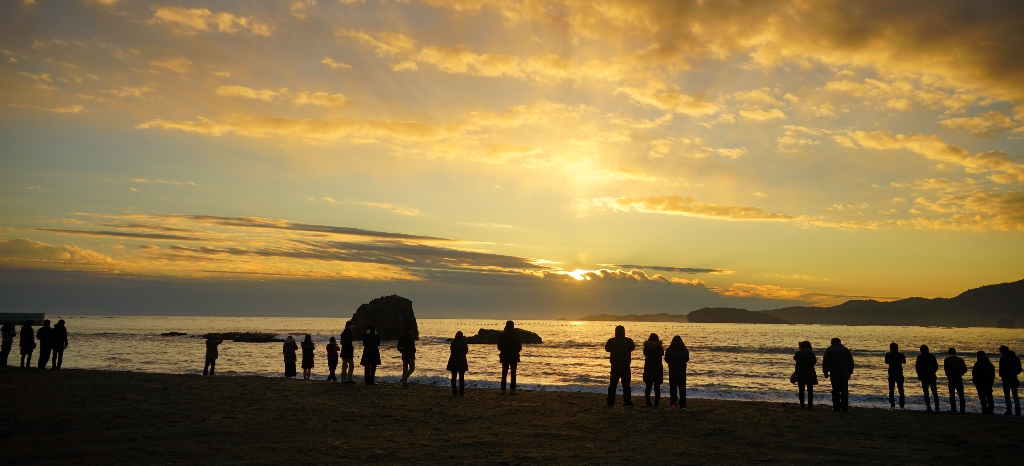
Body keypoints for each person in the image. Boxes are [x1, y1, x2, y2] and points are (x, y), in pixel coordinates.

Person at [605, 325, 636, 408]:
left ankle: (610, 402)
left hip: (615, 365)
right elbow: (633, 348)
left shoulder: (611, 341)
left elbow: (607, 349)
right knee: (626, 385)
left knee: (613, 385)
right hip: (625, 365)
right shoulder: (628, 341)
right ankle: (628, 402)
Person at [822, 337, 854, 412]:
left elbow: (825, 361)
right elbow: (850, 362)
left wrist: (825, 372)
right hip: (844, 372)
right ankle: (844, 407)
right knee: (844, 390)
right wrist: (850, 372)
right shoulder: (846, 350)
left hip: (834, 372)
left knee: (835, 389)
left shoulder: (829, 349)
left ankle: (836, 407)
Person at [664, 336, 690, 409]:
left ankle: (673, 403)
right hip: (682, 370)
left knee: (673, 387)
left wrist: (671, 363)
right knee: (682, 387)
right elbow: (687, 359)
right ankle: (683, 403)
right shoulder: (684, 349)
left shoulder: (669, 350)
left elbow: (666, 359)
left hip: (672, 370)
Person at [497, 320, 522, 394]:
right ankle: (512, 389)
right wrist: (515, 351)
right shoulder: (516, 335)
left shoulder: (502, 335)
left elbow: (499, 346)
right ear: (513, 326)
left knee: (504, 372)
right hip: (514, 356)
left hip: (505, 356)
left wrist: (504, 350)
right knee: (513, 373)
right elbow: (519, 346)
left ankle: (503, 389)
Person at [793, 341, 818, 409]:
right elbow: (814, 361)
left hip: (800, 372)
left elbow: (795, 358)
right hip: (810, 372)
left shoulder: (799, 353)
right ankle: (810, 405)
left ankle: (802, 405)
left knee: (801, 389)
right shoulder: (811, 353)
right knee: (810, 390)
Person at [998, 345, 1021, 416]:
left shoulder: (1003, 358)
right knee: (1015, 396)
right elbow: (1019, 369)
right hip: (1014, 378)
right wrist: (1014, 373)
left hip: (1006, 379)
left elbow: (1001, 369)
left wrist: (1002, 376)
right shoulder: (1015, 358)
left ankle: (1009, 411)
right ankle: (1018, 411)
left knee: (1007, 396)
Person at [915, 345, 940, 412]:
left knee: (926, 392)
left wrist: (919, 375)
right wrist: (933, 372)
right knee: (935, 393)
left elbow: (917, 367)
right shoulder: (932, 356)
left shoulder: (920, 357)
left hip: (924, 377)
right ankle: (937, 408)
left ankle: (929, 407)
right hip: (932, 376)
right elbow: (936, 366)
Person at [642, 333, 664, 408]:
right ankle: (656, 403)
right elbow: (662, 354)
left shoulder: (646, 347)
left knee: (648, 387)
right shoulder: (659, 347)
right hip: (657, 369)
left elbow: (645, 353)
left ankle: (648, 403)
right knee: (657, 387)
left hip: (648, 368)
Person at [943, 348, 967, 413]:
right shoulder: (960, 360)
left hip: (951, 380)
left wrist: (949, 375)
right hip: (959, 379)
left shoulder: (947, 360)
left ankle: (953, 409)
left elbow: (946, 370)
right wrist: (960, 374)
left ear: (949, 353)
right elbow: (965, 369)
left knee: (952, 395)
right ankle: (962, 410)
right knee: (961, 396)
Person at [972, 350, 996, 415]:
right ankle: (990, 410)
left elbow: (974, 374)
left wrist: (975, 382)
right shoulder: (990, 364)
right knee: (989, 396)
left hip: (980, 383)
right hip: (988, 383)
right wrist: (991, 382)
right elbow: (993, 374)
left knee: (982, 397)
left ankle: (984, 410)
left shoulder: (977, 364)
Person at [884, 342, 906, 410]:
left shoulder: (888, 354)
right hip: (899, 373)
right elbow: (904, 362)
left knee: (891, 390)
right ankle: (902, 406)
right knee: (901, 390)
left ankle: (892, 406)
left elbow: (886, 362)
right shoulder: (901, 355)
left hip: (891, 374)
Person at [446, 331, 469, 396]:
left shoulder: (453, 342)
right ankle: (461, 391)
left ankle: (454, 390)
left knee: (453, 376)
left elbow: (452, 350)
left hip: (454, 360)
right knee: (461, 377)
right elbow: (466, 351)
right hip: (462, 361)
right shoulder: (464, 343)